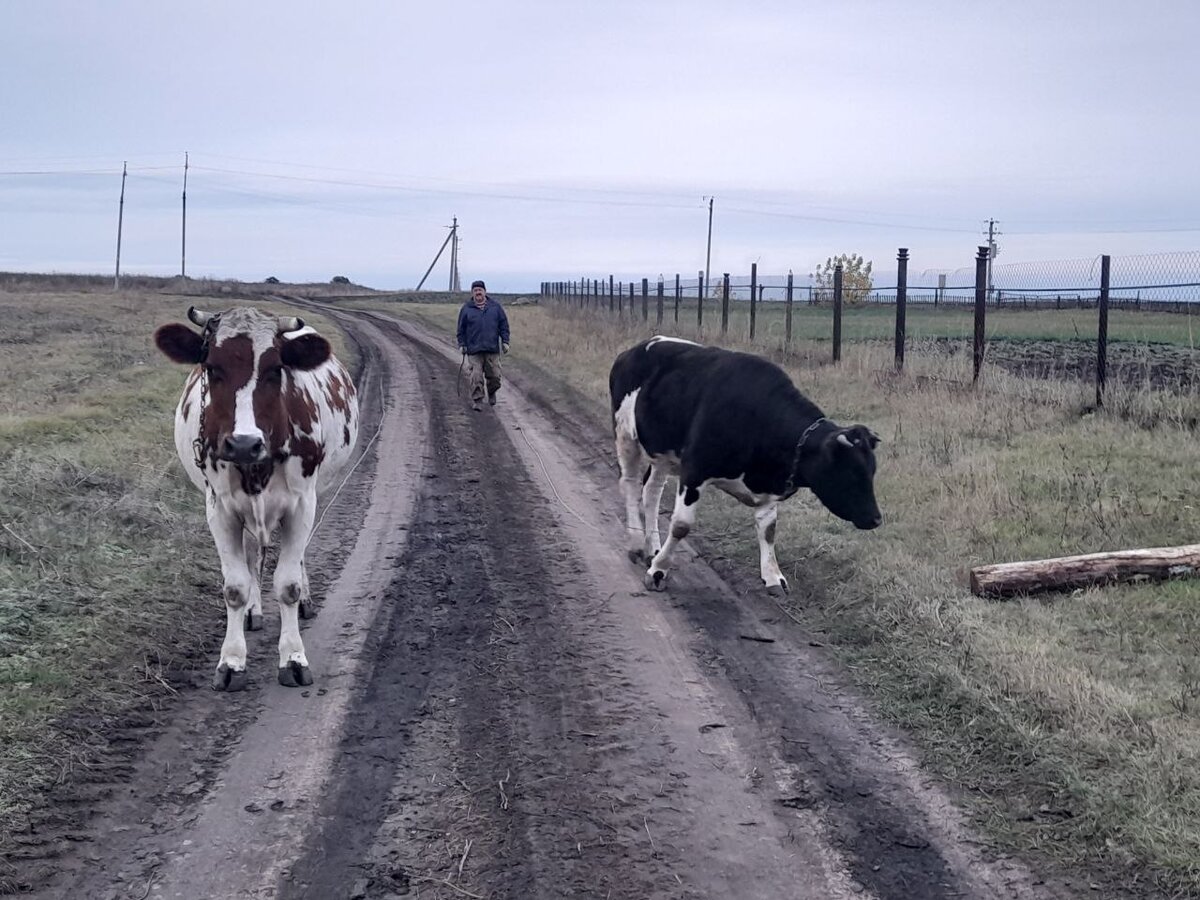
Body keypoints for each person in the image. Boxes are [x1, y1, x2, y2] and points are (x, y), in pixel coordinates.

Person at [456, 279, 510, 411]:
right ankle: (478, 400)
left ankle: (492, 392)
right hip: (474, 349)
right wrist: (462, 344)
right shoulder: (466, 309)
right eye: (475, 291)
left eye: (480, 290)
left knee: (495, 376)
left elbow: (504, 325)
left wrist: (505, 341)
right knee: (476, 376)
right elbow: (461, 329)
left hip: (492, 348)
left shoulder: (495, 307)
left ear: (485, 292)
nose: (478, 293)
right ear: (472, 293)